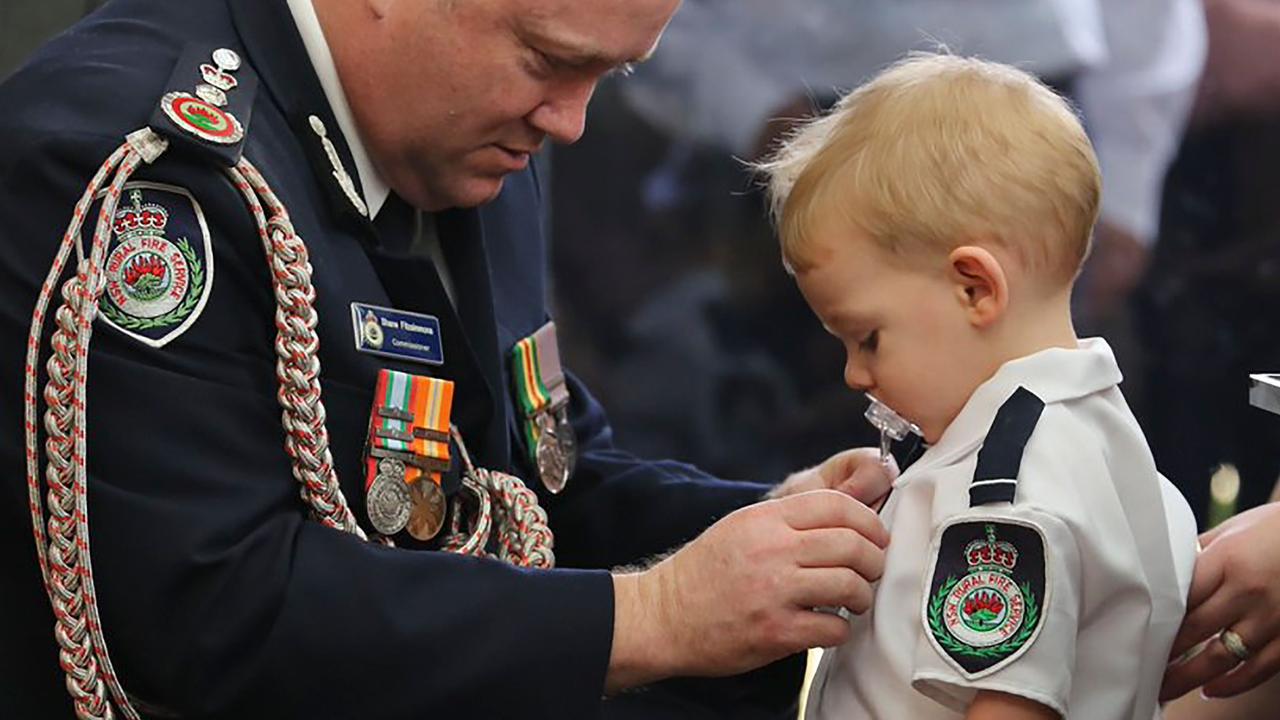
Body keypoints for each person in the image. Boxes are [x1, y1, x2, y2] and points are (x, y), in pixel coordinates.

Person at [0, 0, 897, 717]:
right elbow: (207, 616)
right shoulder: (144, 166)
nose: (573, 120)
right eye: (550, 60)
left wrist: (787, 531)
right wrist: (651, 620)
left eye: (608, 73)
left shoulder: (464, 130)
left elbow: (531, 479)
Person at [760, 54, 1198, 719]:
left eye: (868, 337)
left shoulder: (1004, 492)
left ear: (975, 288)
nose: (854, 374)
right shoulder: (1113, 448)